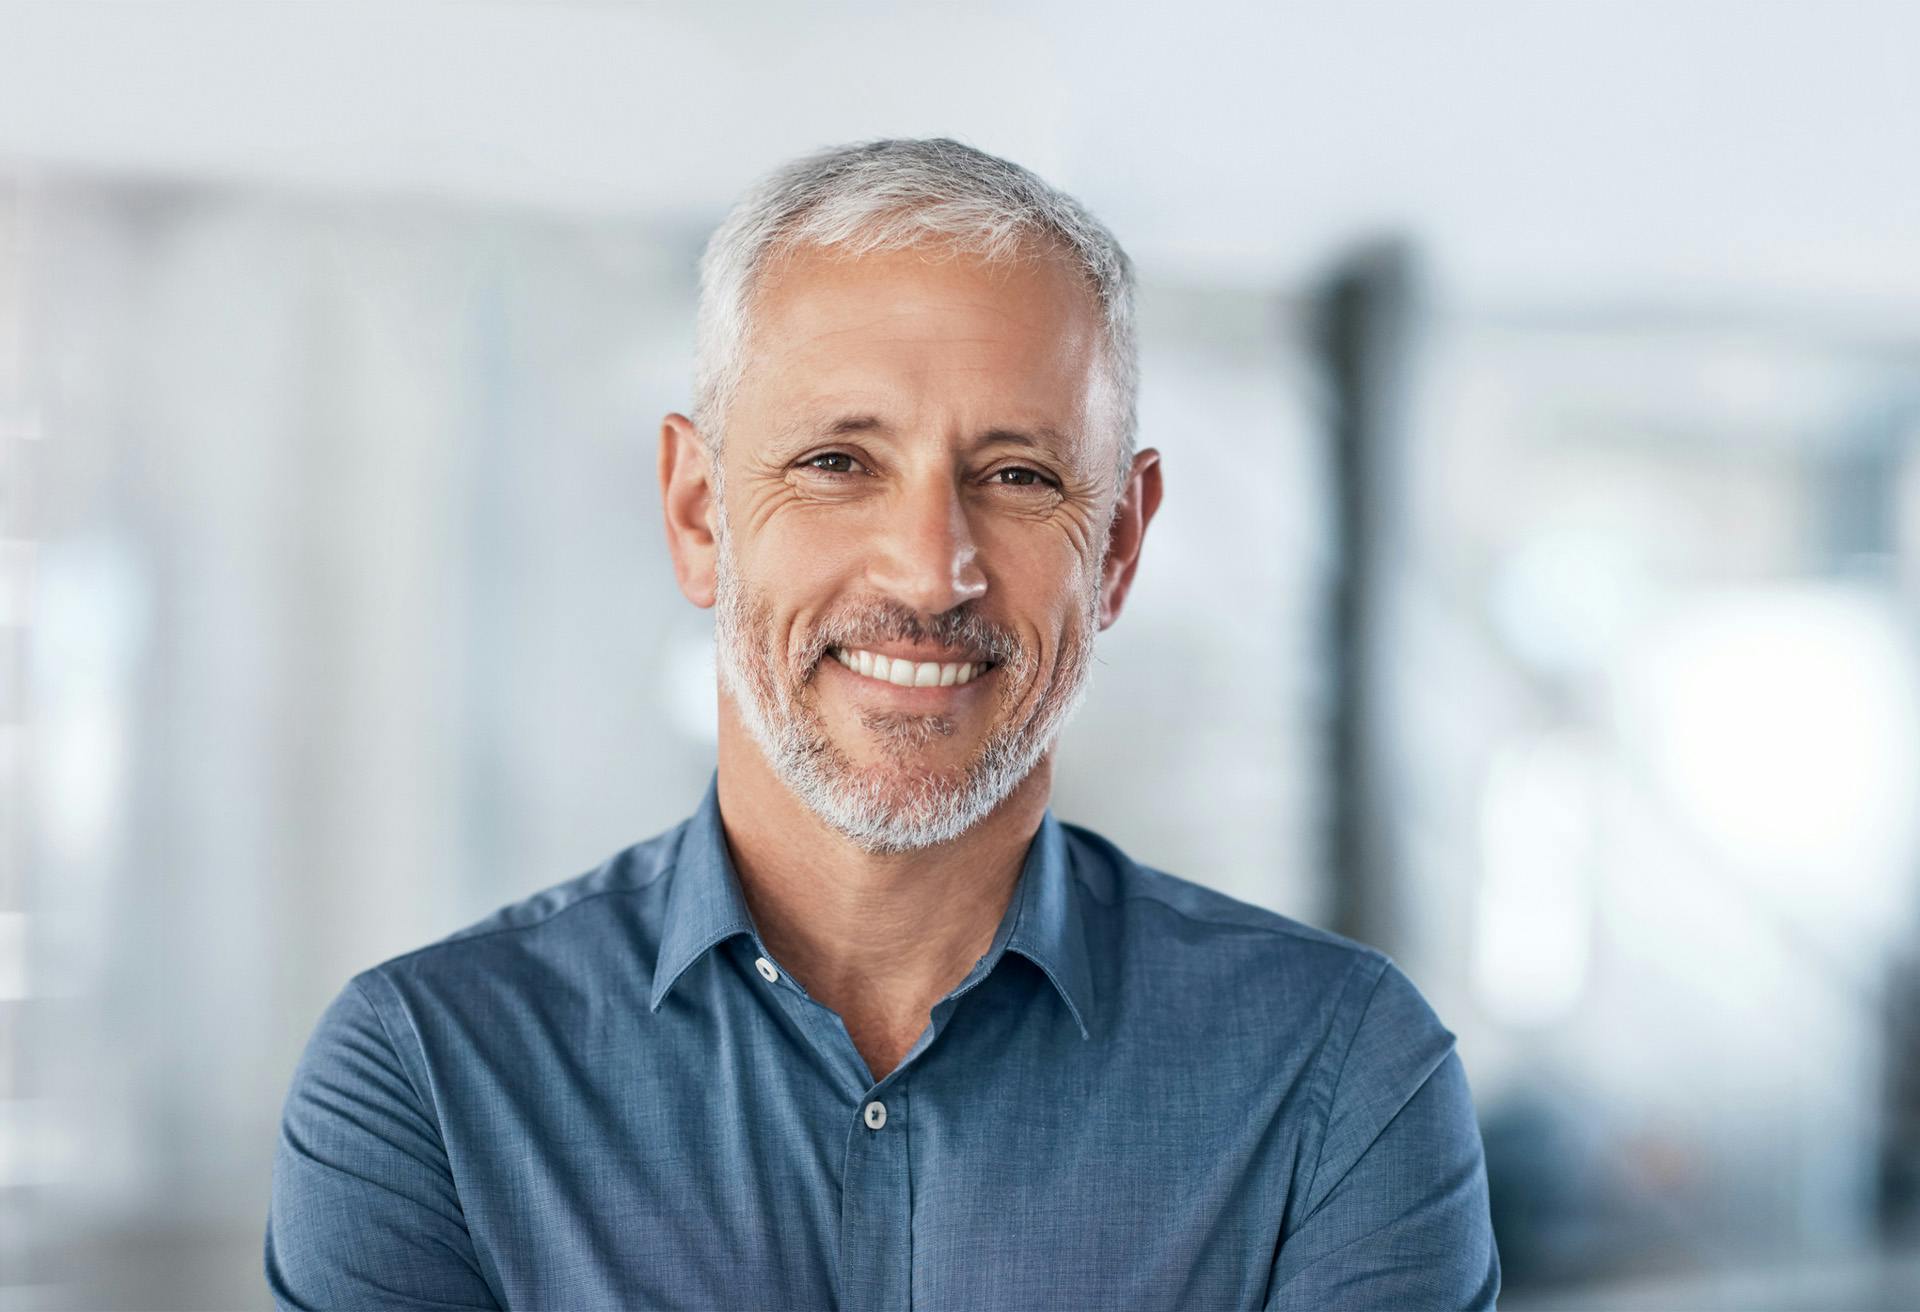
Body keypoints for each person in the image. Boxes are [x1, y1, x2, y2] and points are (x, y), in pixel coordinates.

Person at [265, 138, 1500, 1310]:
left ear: (1118, 546)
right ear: (700, 514)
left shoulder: (1338, 1080)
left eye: (1018, 475)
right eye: (838, 464)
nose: (928, 573)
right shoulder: (429, 1078)